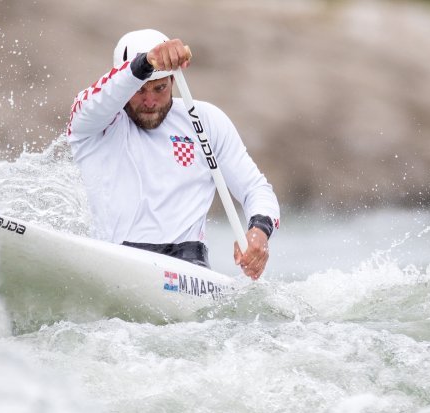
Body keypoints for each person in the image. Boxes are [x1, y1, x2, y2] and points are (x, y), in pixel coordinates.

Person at [67, 29, 280, 280]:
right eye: (139, 90)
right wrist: (145, 63)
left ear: (173, 82)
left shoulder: (205, 120)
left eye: (159, 89)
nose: (149, 101)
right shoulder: (93, 125)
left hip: (189, 269)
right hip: (117, 263)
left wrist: (259, 231)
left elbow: (256, 188)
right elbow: (98, 97)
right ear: (124, 82)